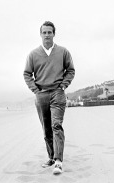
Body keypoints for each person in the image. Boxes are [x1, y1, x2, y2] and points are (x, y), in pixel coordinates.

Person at [23, 21, 75, 174]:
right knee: (46, 130)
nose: (47, 35)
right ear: (40, 34)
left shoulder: (63, 52)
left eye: (49, 32)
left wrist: (64, 85)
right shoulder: (33, 54)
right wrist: (35, 90)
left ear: (54, 34)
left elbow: (70, 70)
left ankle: (59, 161)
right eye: (44, 32)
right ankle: (51, 157)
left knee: (56, 125)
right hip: (41, 95)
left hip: (57, 93)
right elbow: (27, 74)